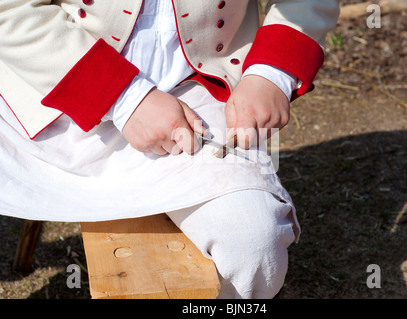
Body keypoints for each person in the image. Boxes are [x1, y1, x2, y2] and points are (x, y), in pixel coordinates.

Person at [0, 0, 340, 298]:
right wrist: (123, 97)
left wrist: (271, 73)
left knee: (252, 245)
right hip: (52, 87)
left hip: (200, 91)